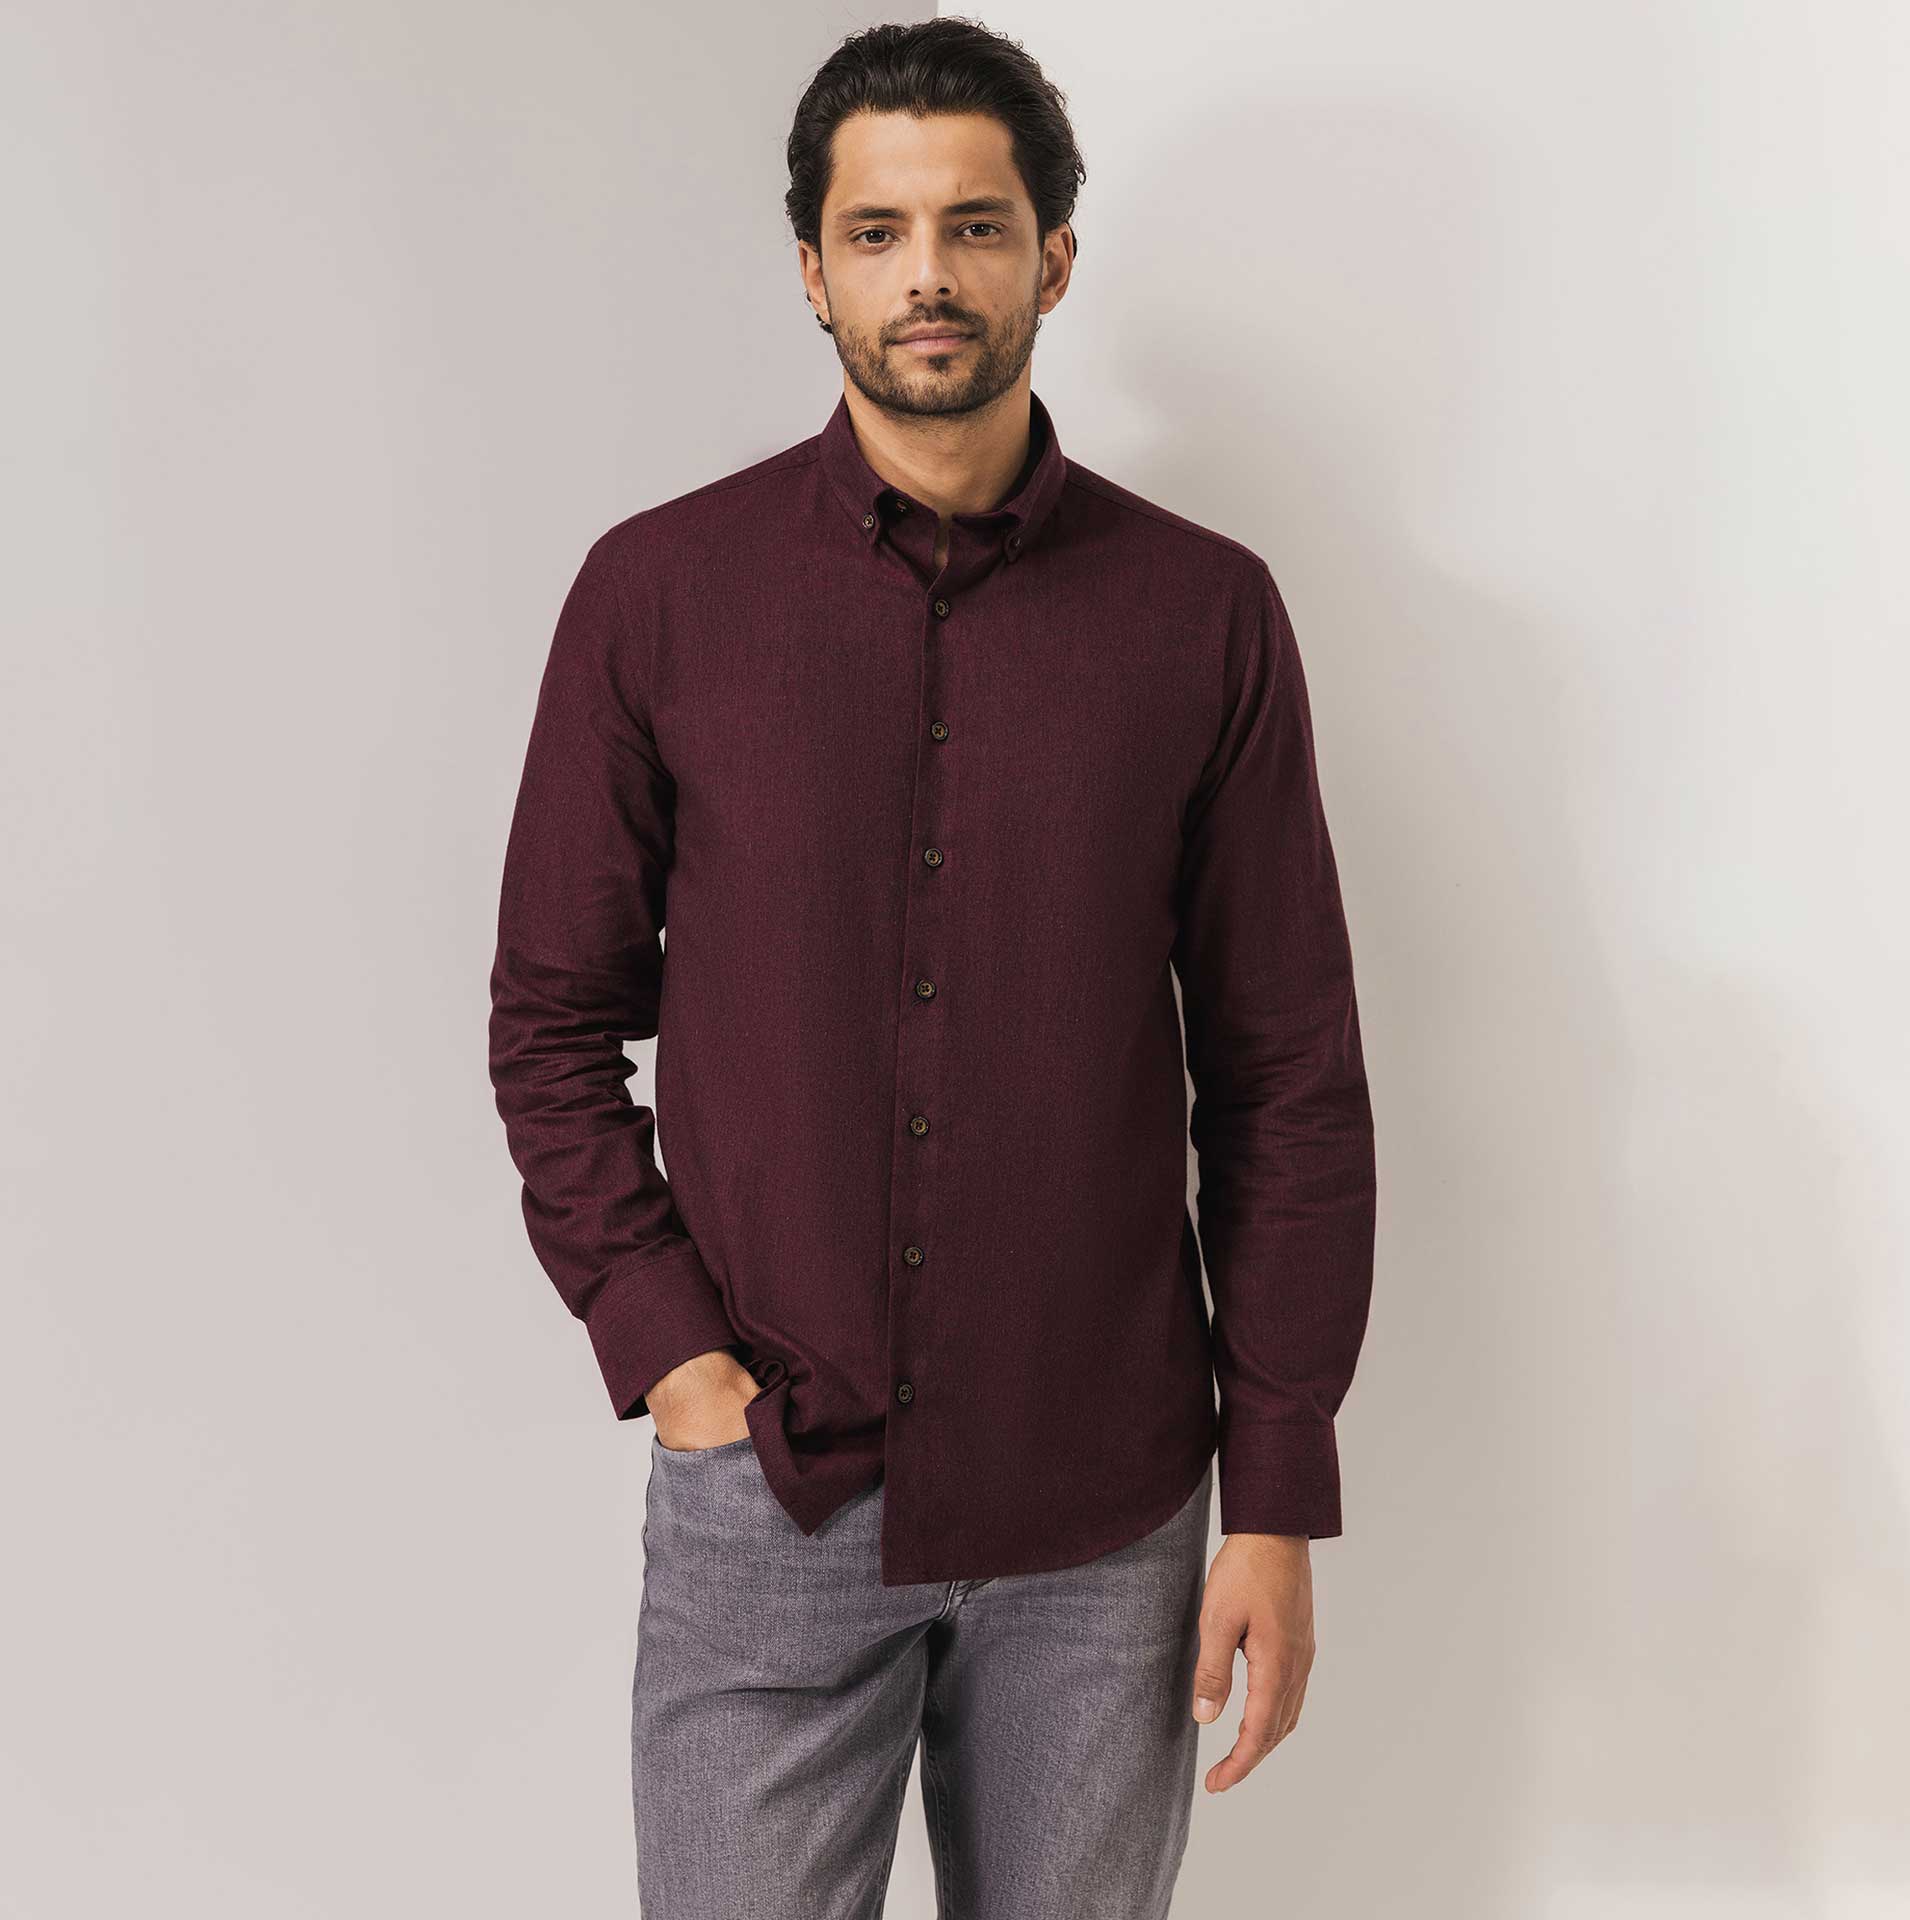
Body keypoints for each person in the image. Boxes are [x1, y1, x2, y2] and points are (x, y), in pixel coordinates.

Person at [487, 18, 1376, 1917]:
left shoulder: (1205, 614)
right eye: (877, 232)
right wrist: (671, 1353)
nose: (929, 276)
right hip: (771, 1491)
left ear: (1055, 257)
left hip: (1107, 1523)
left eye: (976, 226)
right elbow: (551, 1024)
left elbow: (1286, 1072)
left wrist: (1279, 1487)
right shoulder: (658, 596)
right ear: (811, 270)